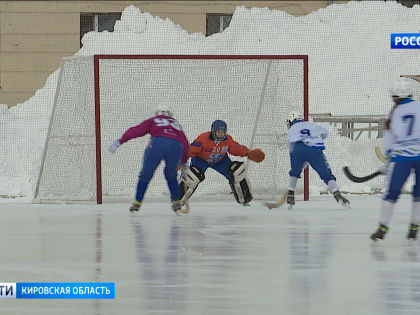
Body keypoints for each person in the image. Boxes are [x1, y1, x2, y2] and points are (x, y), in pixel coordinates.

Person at [108, 107, 189, 213]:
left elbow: (137, 130)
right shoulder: (176, 124)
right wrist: (184, 161)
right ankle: (176, 201)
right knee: (171, 175)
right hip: (176, 146)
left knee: (146, 174)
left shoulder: (154, 120)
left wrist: (120, 141)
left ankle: (137, 202)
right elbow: (185, 143)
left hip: (157, 143)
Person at [371, 77, 420, 241]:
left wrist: (388, 161)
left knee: (392, 192)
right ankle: (414, 226)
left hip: (402, 158)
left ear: (393, 95)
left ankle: (382, 228)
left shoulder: (393, 112)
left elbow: (389, 141)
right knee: (418, 193)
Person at [179, 120, 265, 205]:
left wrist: (248, 153)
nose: (221, 134)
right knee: (193, 176)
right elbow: (191, 150)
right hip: (201, 160)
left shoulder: (228, 139)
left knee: (236, 172)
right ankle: (178, 199)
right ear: (213, 131)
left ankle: (245, 198)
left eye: (223, 131)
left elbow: (236, 148)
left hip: (220, 160)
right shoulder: (202, 138)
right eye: (219, 131)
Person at [286, 111, 350, 209]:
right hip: (315, 149)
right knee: (326, 174)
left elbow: (291, 148)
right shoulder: (310, 125)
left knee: (294, 172)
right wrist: (316, 140)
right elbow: (325, 132)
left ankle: (290, 192)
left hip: (297, 149)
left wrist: (301, 163)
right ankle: (336, 192)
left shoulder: (292, 129)